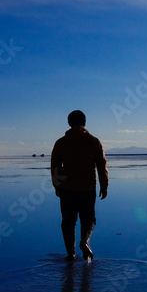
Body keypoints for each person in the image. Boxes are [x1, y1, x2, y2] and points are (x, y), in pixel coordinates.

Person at [51, 110, 109, 261]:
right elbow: (101, 165)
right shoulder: (93, 141)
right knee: (88, 219)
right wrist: (104, 185)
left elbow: (55, 167)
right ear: (84, 122)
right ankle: (85, 242)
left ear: (69, 123)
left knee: (68, 222)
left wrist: (57, 186)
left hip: (67, 189)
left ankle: (71, 254)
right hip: (87, 187)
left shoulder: (61, 142)